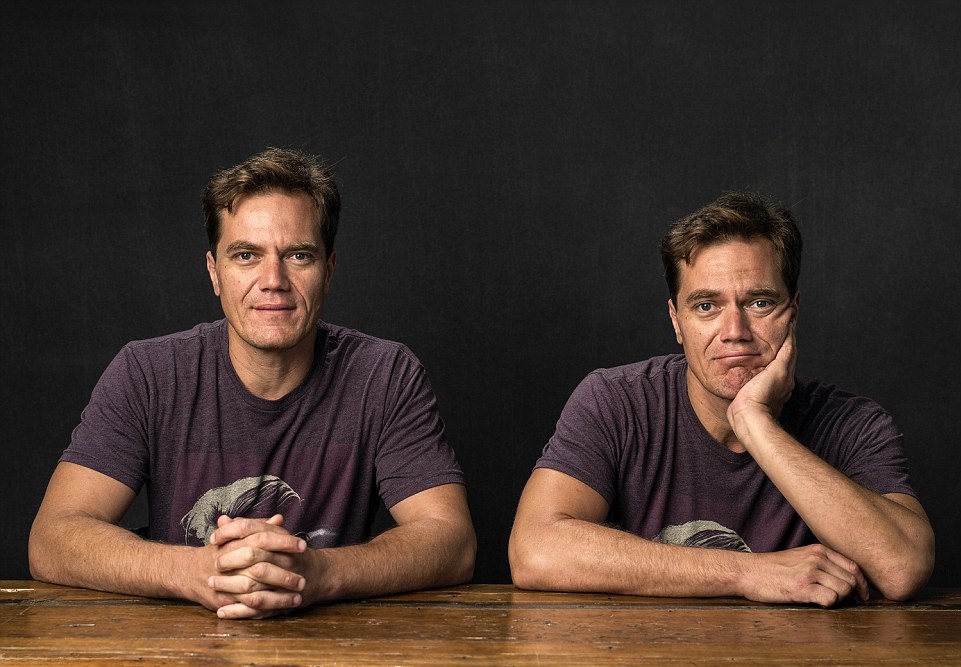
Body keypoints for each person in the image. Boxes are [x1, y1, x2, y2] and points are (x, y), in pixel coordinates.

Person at [29, 147, 476, 619]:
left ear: (328, 271)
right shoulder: (148, 373)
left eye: (298, 255)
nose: (273, 280)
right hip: (176, 645)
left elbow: (453, 541)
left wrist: (318, 573)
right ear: (214, 272)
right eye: (246, 255)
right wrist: (197, 572)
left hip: (335, 642)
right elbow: (53, 537)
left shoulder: (383, 374)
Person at [509, 191, 934, 607]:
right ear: (677, 321)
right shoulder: (616, 401)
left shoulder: (854, 424)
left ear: (794, 311)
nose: (735, 331)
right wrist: (748, 572)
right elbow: (534, 549)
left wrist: (754, 420)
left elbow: (903, 569)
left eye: (760, 302)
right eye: (706, 306)